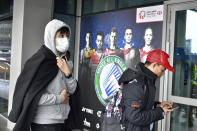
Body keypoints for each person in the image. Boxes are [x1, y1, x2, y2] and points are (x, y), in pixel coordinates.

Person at [8, 19, 77, 131]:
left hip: (62, 121)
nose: (65, 39)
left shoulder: (63, 61)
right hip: (45, 123)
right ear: (51, 37)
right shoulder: (41, 61)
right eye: (61, 35)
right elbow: (32, 97)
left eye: (67, 36)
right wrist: (59, 98)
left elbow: (73, 90)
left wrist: (68, 74)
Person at [119, 49, 176, 131]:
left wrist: (158, 105)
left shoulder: (147, 81)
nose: (162, 74)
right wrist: (160, 111)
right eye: (162, 70)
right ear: (154, 65)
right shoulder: (137, 83)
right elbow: (134, 116)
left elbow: (142, 103)